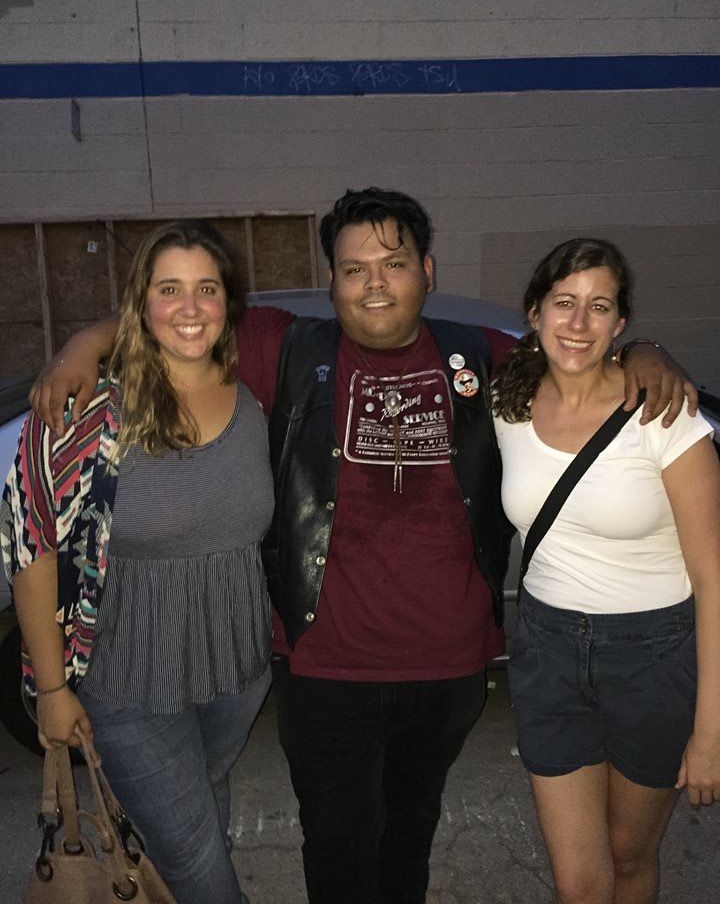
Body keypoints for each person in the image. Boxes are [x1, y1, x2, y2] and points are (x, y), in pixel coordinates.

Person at [27, 190, 697, 904]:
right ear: (333, 283)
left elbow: (577, 351)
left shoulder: (483, 356)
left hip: (447, 667)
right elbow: (179, 318)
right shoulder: (286, 348)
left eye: (394, 263)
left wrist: (646, 352)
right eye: (354, 269)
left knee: (410, 835)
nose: (374, 283)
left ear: (427, 272)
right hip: (323, 668)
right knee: (338, 847)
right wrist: (82, 344)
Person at [1, 220, 275, 904]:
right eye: (168, 289)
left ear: (229, 299)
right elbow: (30, 543)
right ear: (141, 301)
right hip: (127, 680)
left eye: (206, 288)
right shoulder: (88, 410)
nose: (189, 307)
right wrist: (53, 690)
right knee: (203, 869)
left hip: (237, 672)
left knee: (201, 810)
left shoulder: (258, 388)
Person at [493, 238, 720, 904]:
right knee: (579, 882)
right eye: (563, 302)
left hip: (654, 656)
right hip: (547, 651)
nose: (578, 322)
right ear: (534, 312)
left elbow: (713, 579)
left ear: (619, 323)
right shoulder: (507, 402)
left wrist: (710, 731)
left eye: (599, 307)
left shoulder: (664, 417)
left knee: (629, 854)